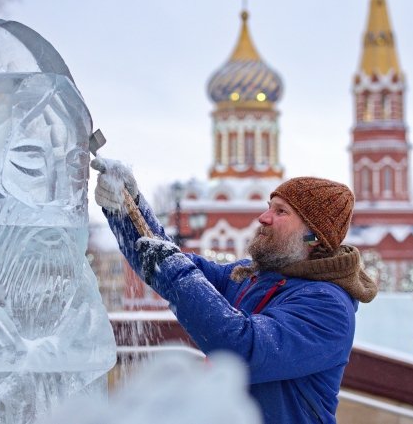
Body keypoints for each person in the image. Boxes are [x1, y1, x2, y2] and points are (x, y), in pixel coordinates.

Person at [91, 158, 378, 424]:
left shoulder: (327, 306)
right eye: (269, 206)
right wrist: (127, 209)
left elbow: (242, 348)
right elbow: (165, 264)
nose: (263, 218)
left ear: (313, 236)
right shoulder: (250, 275)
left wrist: (171, 268)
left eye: (280, 212)